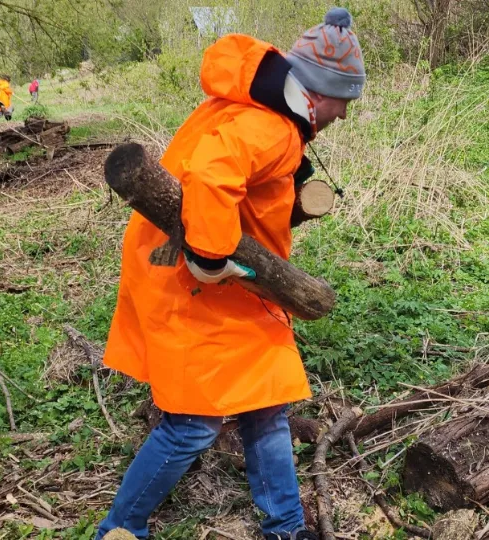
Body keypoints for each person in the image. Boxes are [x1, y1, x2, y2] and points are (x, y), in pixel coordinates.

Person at [95, 8, 365, 540]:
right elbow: (212, 174)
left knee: (265, 402)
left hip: (228, 287)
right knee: (195, 420)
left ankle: (285, 527)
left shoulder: (265, 111)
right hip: (191, 279)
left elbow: (243, 183)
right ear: (318, 89)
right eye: (344, 100)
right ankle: (119, 529)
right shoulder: (272, 127)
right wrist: (213, 256)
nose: (345, 114)